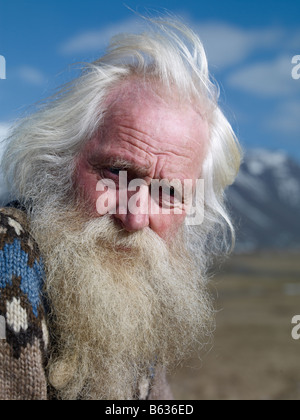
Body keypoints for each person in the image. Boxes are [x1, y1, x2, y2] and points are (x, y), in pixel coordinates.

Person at [0, 17, 241, 400]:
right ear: (60, 162)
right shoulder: (6, 261)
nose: (134, 217)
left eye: (168, 192)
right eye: (117, 171)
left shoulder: (140, 288)